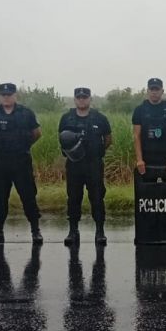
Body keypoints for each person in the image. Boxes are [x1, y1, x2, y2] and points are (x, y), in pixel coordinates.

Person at [0, 82, 43, 245]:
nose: (6, 97)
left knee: (28, 196)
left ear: (15, 96)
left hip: (21, 160)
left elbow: (37, 133)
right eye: (3, 95)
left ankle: (35, 231)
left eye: (9, 95)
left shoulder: (26, 113)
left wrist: (23, 145)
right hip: (0, 161)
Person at [58, 86, 112, 246]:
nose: (82, 100)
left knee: (97, 198)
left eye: (85, 97)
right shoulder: (66, 118)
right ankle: (73, 231)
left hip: (93, 164)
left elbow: (108, 139)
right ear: (75, 99)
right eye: (79, 97)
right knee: (74, 198)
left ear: (90, 99)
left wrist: (98, 151)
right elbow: (62, 139)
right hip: (74, 165)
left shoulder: (100, 118)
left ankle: (100, 231)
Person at [132, 77, 166, 175]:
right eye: (152, 89)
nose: (154, 92)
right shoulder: (139, 110)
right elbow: (136, 136)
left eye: (157, 89)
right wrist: (139, 160)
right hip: (146, 159)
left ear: (162, 91)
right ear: (147, 91)